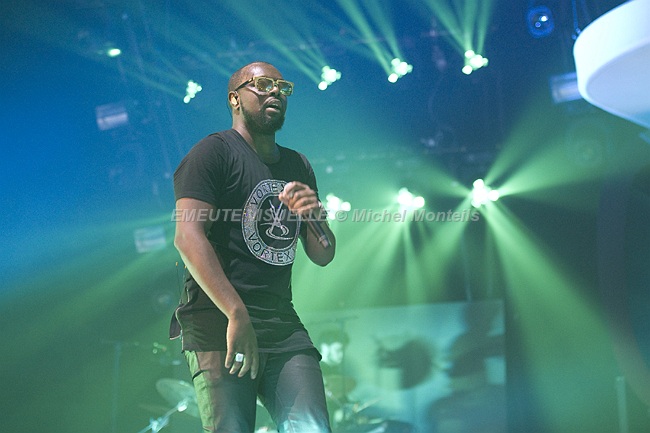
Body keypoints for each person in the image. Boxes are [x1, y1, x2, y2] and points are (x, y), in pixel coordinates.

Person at [170, 61, 336, 432]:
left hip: (281, 325)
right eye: (262, 84)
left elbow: (323, 254)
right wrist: (236, 313)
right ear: (235, 99)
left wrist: (314, 215)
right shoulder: (213, 152)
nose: (275, 91)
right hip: (218, 323)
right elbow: (187, 236)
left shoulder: (297, 164)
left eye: (282, 86)